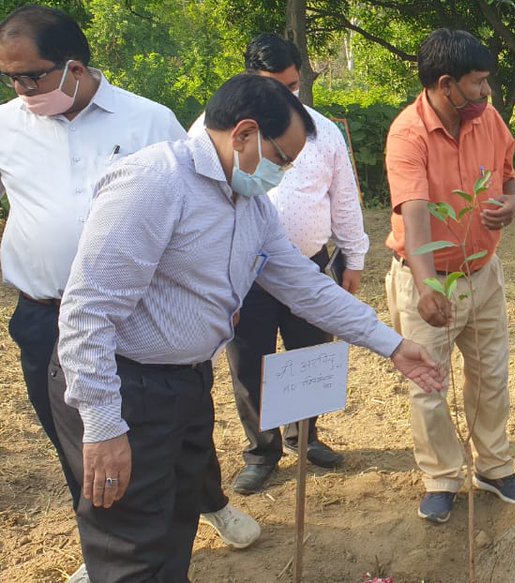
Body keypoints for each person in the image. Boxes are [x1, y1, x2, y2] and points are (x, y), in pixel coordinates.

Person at [50, 73, 443, 583]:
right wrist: (103, 425)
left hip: (183, 381)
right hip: (123, 385)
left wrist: (391, 344)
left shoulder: (251, 207)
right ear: (244, 134)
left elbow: (306, 285)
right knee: (132, 544)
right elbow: (87, 312)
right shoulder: (153, 183)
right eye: (281, 158)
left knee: (175, 526)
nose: (283, 173)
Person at [0, 7, 255, 580]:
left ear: (74, 67)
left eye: (31, 76)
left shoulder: (148, 120)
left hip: (141, 320)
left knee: (181, 433)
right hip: (44, 315)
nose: (21, 90)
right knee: (81, 441)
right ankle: (106, 545)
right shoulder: (5, 127)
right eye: (9, 78)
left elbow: (205, 205)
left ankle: (206, 503)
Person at [187, 33, 371, 495]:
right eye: (275, 85)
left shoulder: (322, 131)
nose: (286, 96)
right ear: (250, 79)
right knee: (250, 364)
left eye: (292, 86)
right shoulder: (209, 130)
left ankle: (305, 436)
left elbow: (344, 198)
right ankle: (262, 451)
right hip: (242, 272)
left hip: (308, 266)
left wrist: (353, 257)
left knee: (311, 355)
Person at [383, 28, 515, 525]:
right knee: (429, 384)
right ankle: (442, 477)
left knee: (491, 374)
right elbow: (415, 215)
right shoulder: (408, 134)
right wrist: (429, 286)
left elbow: (509, 177)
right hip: (430, 277)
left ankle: (493, 466)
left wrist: (513, 204)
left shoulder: (489, 119)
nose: (487, 92)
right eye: (478, 82)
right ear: (446, 85)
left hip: (484, 273)